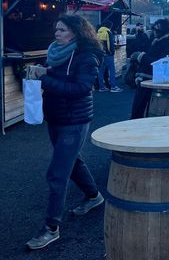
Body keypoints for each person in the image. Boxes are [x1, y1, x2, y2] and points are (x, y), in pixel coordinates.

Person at [25, 15, 105, 250]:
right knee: (73, 162)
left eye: (61, 30)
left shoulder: (87, 56)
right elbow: (59, 76)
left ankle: (51, 228)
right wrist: (44, 70)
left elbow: (80, 88)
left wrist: (45, 78)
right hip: (56, 117)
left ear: (76, 32)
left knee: (57, 174)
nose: (56, 33)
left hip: (75, 120)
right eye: (56, 29)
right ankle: (94, 197)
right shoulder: (57, 52)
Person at [130, 19, 169, 119]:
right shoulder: (157, 42)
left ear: (163, 31)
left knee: (141, 111)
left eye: (156, 29)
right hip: (148, 80)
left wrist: (141, 56)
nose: (154, 31)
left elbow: (161, 62)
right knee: (138, 110)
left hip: (154, 81)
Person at [96, 20, 122, 92]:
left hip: (101, 54)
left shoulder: (98, 32)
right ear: (109, 26)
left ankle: (101, 87)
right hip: (108, 54)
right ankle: (113, 87)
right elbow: (110, 44)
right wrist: (112, 52)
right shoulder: (108, 32)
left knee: (101, 71)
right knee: (112, 70)